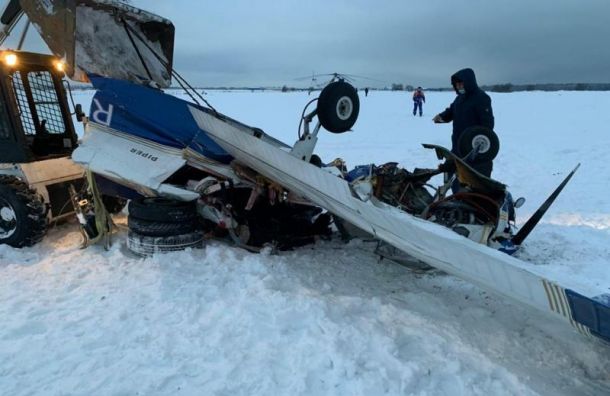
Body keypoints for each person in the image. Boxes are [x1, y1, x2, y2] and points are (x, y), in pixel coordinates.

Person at [433, 68, 495, 178]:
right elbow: (451, 111)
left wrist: (478, 145)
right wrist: (441, 117)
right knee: (456, 181)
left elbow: (488, 126)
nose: (459, 86)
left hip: (474, 153)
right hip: (457, 147)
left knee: (473, 185)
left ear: (469, 82)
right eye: (456, 84)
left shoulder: (481, 98)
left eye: (461, 83)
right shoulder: (460, 98)